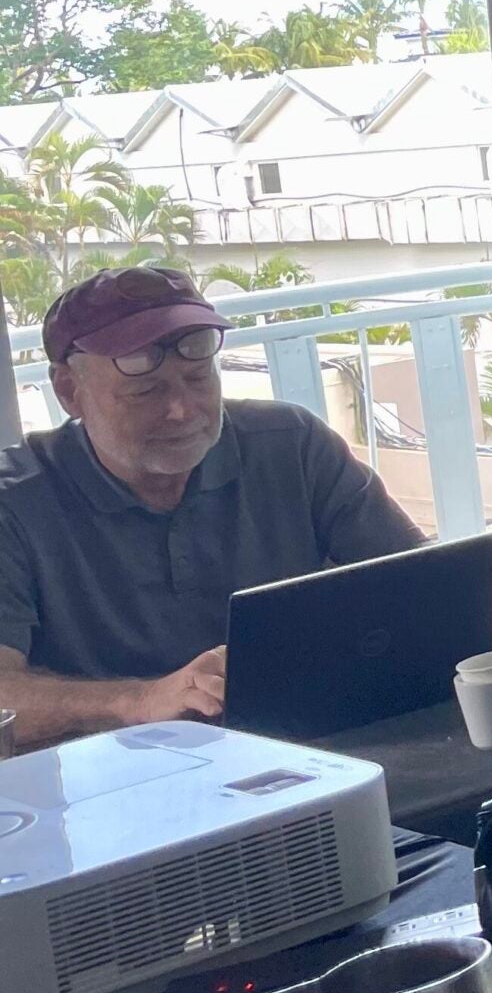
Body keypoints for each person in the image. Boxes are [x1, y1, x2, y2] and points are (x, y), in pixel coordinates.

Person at [0, 264, 421, 745]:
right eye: (146, 391)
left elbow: (426, 590)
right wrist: (139, 702)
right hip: (111, 783)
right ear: (70, 392)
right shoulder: (15, 503)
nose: (182, 410)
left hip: (306, 746)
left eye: (198, 379)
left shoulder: (292, 445)